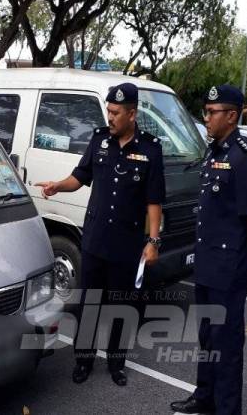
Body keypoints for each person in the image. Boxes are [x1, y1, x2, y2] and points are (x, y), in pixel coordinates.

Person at [36, 83, 165, 386]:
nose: (110, 117)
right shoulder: (99, 141)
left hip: (126, 245)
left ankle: (117, 363)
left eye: (116, 113)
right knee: (89, 304)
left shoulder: (150, 149)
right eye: (108, 111)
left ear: (132, 114)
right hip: (94, 240)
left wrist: (153, 241)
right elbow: (80, 177)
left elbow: (154, 201)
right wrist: (57, 185)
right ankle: (84, 360)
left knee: (121, 306)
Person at [171, 85, 247, 414]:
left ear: (231, 115)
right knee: (208, 338)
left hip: (229, 268)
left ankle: (227, 409)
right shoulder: (215, 153)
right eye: (206, 112)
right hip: (208, 264)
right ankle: (204, 397)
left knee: (227, 345)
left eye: (212, 112)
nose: (207, 118)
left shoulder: (245, 158)